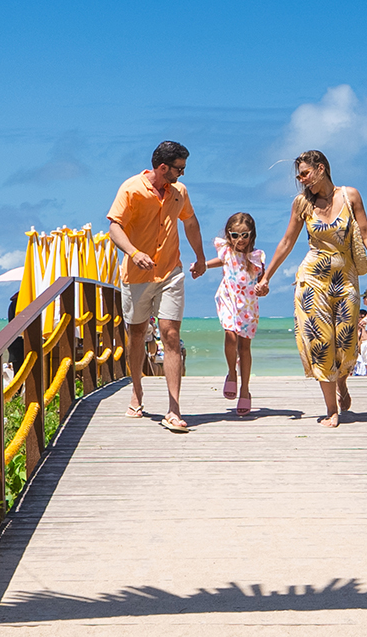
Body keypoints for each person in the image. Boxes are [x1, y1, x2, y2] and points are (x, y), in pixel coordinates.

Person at [256, 149, 367, 427]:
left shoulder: (350, 196)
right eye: (298, 175)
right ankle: (332, 409)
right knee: (319, 342)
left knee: (346, 341)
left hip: (345, 278)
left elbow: (366, 232)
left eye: (305, 173)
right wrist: (266, 276)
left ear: (321, 168)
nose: (301, 179)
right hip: (312, 279)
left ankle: (341, 382)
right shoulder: (301, 204)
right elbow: (286, 242)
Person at [107, 140, 207, 432]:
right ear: (163, 167)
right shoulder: (132, 188)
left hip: (170, 272)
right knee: (137, 333)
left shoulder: (180, 192)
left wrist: (200, 257)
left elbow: (190, 223)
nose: (182, 174)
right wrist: (134, 253)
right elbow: (114, 227)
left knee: (171, 334)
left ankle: (174, 409)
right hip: (136, 275)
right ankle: (136, 390)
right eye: (179, 168)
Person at [205, 212, 265, 415]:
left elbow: (263, 282)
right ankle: (232, 373)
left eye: (244, 235)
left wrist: (263, 288)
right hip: (228, 300)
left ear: (252, 235)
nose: (240, 240)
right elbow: (220, 262)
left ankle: (245, 391)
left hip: (247, 306)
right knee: (230, 335)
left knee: (244, 347)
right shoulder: (226, 251)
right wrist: (203, 266)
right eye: (235, 235)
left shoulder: (256, 257)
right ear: (228, 235)